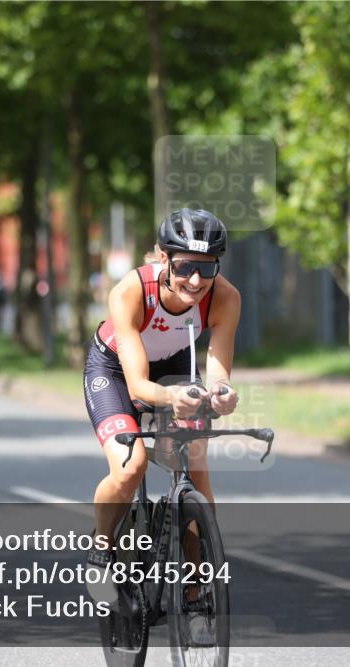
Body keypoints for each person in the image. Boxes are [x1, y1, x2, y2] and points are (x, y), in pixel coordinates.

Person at [83, 208, 241, 587]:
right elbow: (138, 385)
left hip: (175, 366)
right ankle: (101, 548)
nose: (195, 279)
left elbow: (218, 371)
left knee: (194, 468)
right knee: (130, 467)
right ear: (163, 256)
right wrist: (172, 397)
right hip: (116, 371)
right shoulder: (130, 291)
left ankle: (196, 581)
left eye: (207, 268)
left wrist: (222, 393)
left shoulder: (225, 297)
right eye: (186, 266)